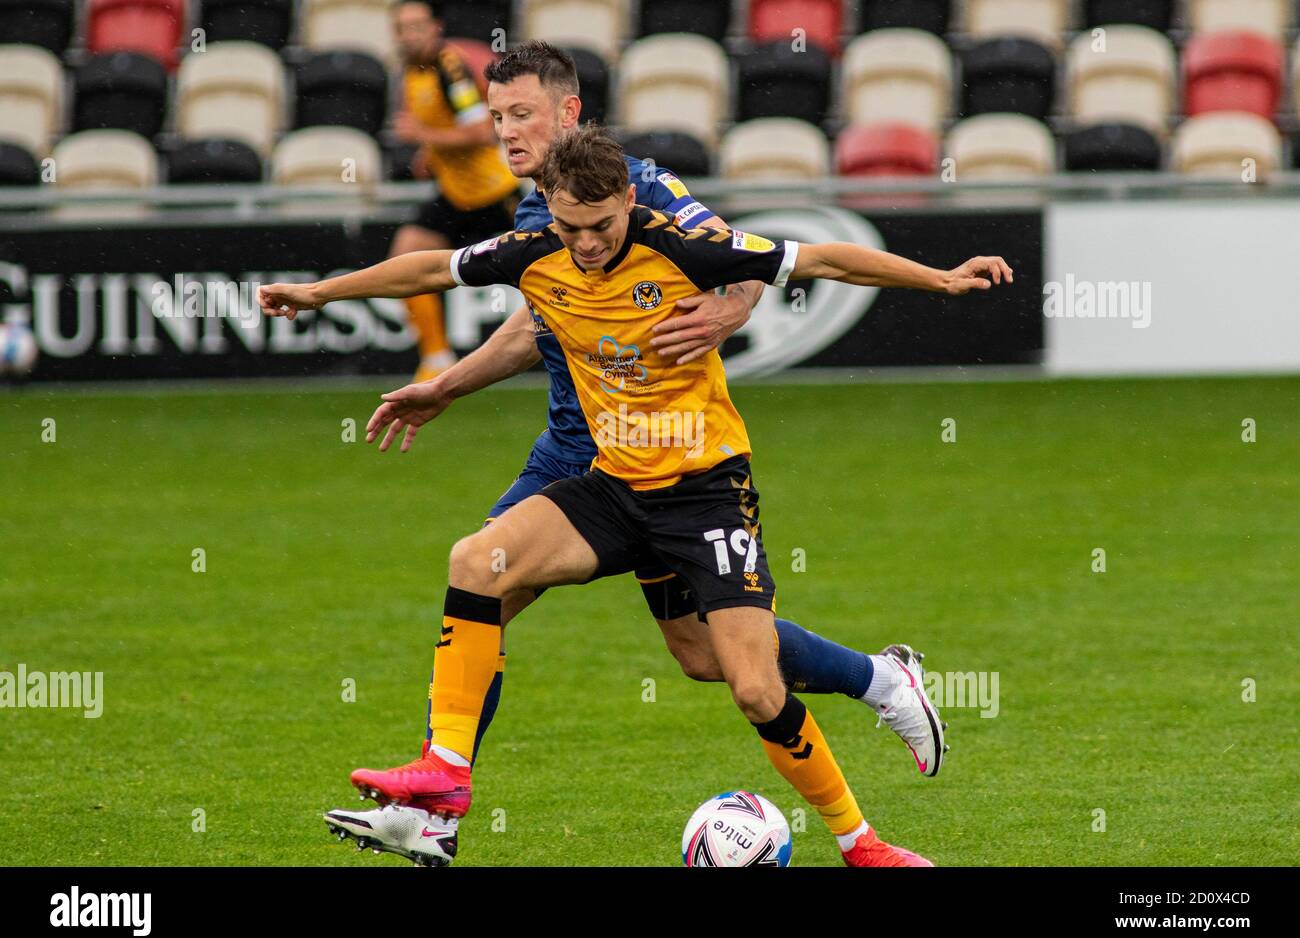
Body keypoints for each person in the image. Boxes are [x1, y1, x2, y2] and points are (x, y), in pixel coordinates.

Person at [258, 124, 1013, 867]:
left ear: (627, 199)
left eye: (599, 226)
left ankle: (862, 843)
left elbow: (821, 258)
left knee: (749, 686)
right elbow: (428, 269)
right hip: (615, 486)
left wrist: (941, 278)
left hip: (707, 494)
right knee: (476, 562)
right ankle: (445, 780)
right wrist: (319, 293)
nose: (585, 244)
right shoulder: (536, 250)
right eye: (568, 227)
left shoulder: (680, 244)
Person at [389, 0, 519, 381]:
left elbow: (480, 132)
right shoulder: (412, 74)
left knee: (548, 268)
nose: (411, 35)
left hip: (494, 194)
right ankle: (436, 359)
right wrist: (430, 153)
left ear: (436, 28)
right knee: (404, 257)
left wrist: (423, 137)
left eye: (418, 26)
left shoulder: (450, 68)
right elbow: (451, 129)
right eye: (403, 28)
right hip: (456, 195)